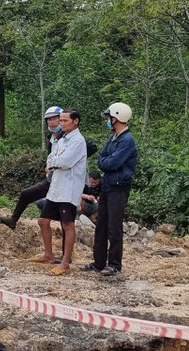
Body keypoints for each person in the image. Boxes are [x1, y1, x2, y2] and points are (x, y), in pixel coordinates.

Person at [86, 102, 137, 277]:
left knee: (114, 227)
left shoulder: (127, 141)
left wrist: (106, 163)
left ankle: (114, 263)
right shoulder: (114, 137)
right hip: (108, 185)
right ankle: (98, 262)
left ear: (118, 118)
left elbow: (112, 162)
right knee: (101, 224)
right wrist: (106, 163)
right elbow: (102, 158)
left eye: (110, 118)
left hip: (118, 187)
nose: (108, 121)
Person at [37, 110, 87, 275]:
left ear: (75, 121)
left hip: (69, 188)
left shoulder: (78, 141)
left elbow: (65, 162)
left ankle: (65, 262)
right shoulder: (61, 139)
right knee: (43, 220)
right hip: (56, 186)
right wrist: (54, 163)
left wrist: (54, 163)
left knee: (67, 225)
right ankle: (48, 254)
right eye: (61, 120)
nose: (61, 123)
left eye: (65, 120)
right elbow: (51, 158)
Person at [0, 106, 65, 229]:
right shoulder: (52, 139)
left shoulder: (69, 138)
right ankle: (13, 219)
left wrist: (67, 164)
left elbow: (89, 147)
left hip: (64, 182)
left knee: (62, 215)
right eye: (48, 120)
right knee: (26, 194)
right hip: (51, 180)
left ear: (62, 119)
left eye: (54, 119)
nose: (51, 122)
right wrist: (49, 166)